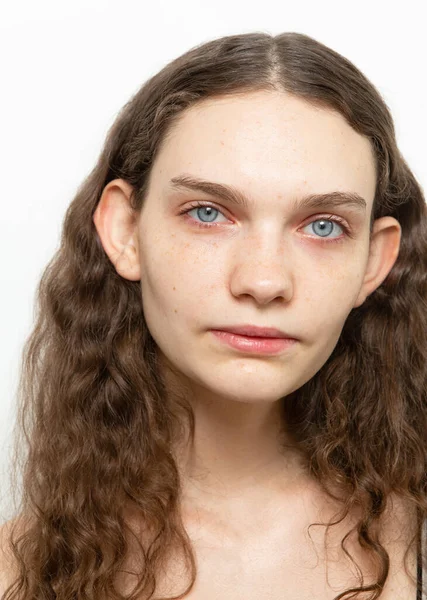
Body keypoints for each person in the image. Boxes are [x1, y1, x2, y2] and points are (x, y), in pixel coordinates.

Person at [0, 31, 426, 600]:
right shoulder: (17, 573)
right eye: (207, 213)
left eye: (323, 225)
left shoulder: (415, 543)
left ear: (375, 261)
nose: (264, 281)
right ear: (125, 232)